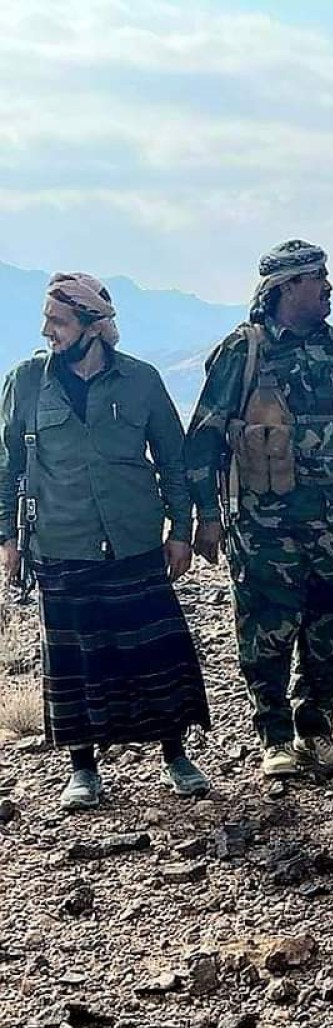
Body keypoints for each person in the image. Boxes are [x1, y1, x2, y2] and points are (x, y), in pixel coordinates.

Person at [0, 273, 210, 810]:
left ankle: (176, 756)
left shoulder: (141, 381)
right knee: (76, 662)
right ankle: (83, 769)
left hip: (134, 543)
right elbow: (6, 468)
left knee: (155, 655)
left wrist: (180, 533)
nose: (48, 331)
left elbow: (173, 461)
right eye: (48, 319)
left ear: (93, 327)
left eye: (59, 321)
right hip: (61, 543)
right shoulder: (25, 382)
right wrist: (8, 539)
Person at [186, 240, 333, 776]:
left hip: (332, 523)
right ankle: (274, 737)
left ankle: (316, 729)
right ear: (285, 288)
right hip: (264, 526)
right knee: (266, 630)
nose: (328, 287)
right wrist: (206, 515)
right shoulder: (244, 351)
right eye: (317, 278)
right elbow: (204, 437)